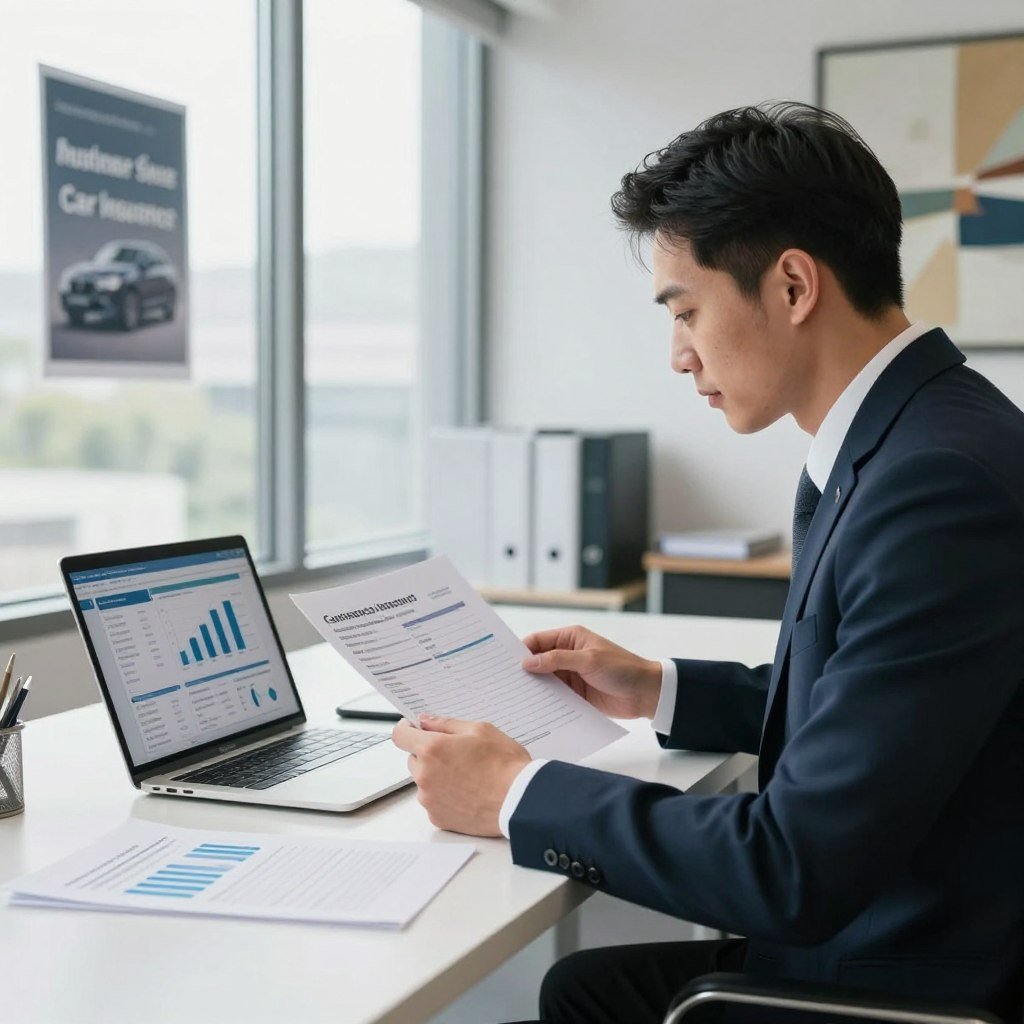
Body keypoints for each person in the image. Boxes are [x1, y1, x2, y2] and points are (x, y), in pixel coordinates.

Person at [392, 102, 1024, 1024]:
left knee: (585, 997)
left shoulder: (934, 484)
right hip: (913, 924)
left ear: (794, 286)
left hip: (910, 973)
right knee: (581, 988)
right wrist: (659, 687)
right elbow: (878, 696)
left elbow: (790, 867)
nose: (678, 355)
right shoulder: (925, 432)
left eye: (686, 310)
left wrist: (515, 793)